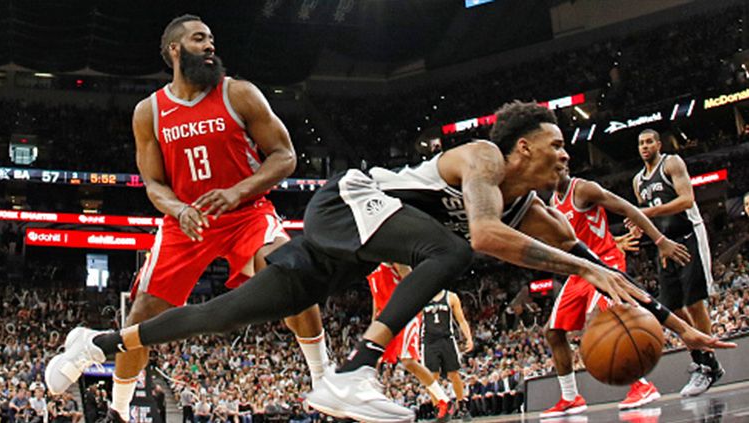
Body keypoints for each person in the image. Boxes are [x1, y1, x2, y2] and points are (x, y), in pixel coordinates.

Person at [46, 101, 733, 423]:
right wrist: (580, 268)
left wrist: (679, 325)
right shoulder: (484, 160)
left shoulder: (534, 208)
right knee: (453, 247)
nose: (564, 155)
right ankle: (355, 371)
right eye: (554, 145)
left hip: (354, 242)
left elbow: (597, 262)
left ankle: (95, 344)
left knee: (225, 313)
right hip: (345, 206)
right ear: (520, 147)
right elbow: (488, 238)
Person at [86, 14, 328, 423]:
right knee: (141, 316)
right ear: (175, 51)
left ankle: (326, 382)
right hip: (186, 224)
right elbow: (154, 185)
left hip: (245, 214)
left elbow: (285, 156)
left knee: (292, 273)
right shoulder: (150, 112)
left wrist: (237, 191)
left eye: (212, 39)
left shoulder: (240, 94)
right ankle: (118, 412)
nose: (211, 46)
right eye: (200, 39)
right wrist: (179, 209)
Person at [541, 169, 691, 417]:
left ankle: (643, 385)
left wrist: (660, 240)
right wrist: (615, 237)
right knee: (553, 332)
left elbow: (628, 209)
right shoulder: (552, 202)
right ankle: (571, 398)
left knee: (602, 321)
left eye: (563, 160)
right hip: (580, 269)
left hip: (606, 263)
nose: (560, 165)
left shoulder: (583, 189)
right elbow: (576, 237)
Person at [633, 129, 723, 396]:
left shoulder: (671, 163)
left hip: (689, 235)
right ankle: (708, 364)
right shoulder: (638, 181)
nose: (645, 146)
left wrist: (646, 212)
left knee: (694, 301)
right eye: (641, 143)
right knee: (670, 308)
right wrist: (656, 239)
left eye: (649, 141)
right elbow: (649, 220)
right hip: (666, 244)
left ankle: (705, 365)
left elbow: (687, 199)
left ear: (659, 144)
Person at [366, 263, 455, 422]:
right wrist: (374, 320)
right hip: (387, 317)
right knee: (372, 358)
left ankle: (444, 401)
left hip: (406, 313)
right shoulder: (370, 263)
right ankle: (369, 409)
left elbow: (415, 282)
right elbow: (376, 295)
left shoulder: (392, 255)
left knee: (408, 361)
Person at [421, 290, 473, 420]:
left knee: (453, 374)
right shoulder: (421, 297)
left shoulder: (451, 296)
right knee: (432, 376)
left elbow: (461, 320)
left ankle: (462, 406)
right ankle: (439, 408)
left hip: (446, 339)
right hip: (429, 340)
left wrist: (469, 338)